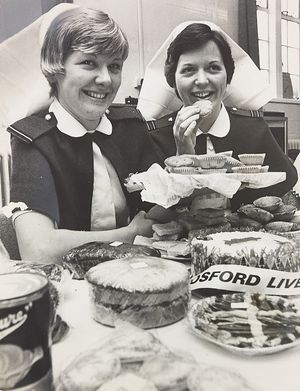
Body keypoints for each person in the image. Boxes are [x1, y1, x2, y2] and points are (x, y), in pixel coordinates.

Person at [7, 6, 164, 263]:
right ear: (56, 68)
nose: (105, 80)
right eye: (89, 63)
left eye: (114, 66)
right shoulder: (34, 139)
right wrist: (130, 233)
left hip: (141, 270)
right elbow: (39, 250)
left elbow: (162, 210)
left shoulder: (130, 126)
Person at [138, 22, 297, 210]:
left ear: (227, 75)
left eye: (213, 68)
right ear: (173, 79)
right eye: (188, 70)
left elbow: (282, 193)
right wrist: (183, 156)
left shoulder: (254, 129)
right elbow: (147, 215)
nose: (202, 81)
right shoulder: (155, 137)